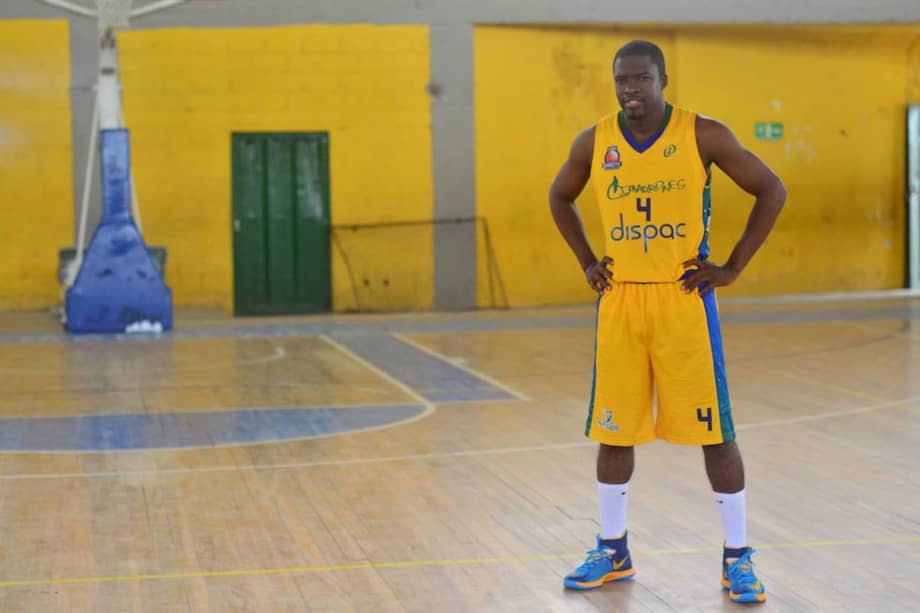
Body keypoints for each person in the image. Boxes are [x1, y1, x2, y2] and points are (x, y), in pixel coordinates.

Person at [548, 39, 786, 604]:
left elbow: (771, 189)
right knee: (614, 430)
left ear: (662, 80)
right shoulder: (594, 140)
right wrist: (586, 259)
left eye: (639, 79)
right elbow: (560, 197)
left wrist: (731, 267)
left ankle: (738, 558)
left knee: (715, 434)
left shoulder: (703, 134)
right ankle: (613, 549)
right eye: (621, 81)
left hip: (684, 301)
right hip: (622, 302)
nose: (630, 89)